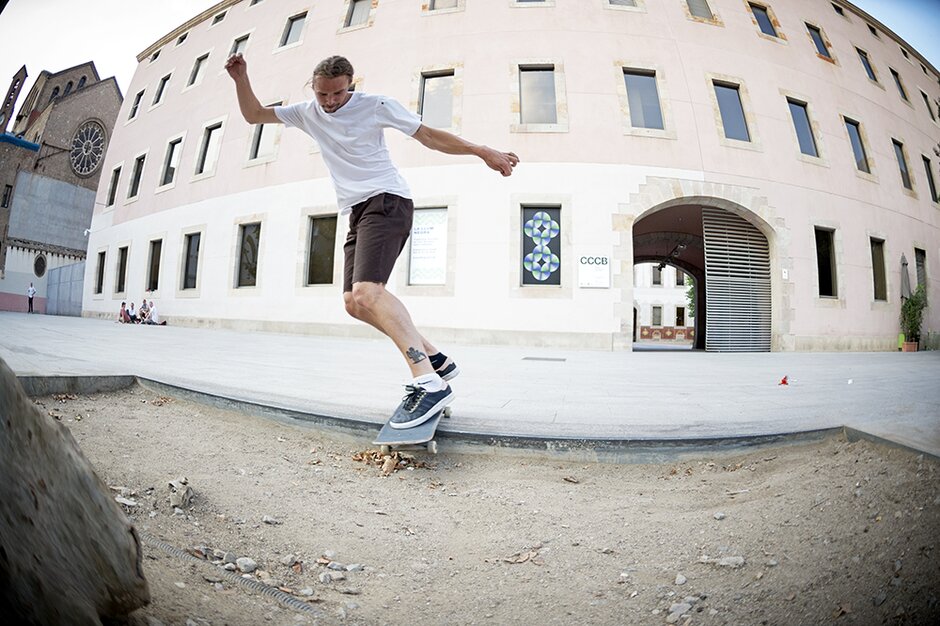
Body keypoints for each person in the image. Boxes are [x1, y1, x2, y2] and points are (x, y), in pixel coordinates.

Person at [226, 53, 518, 429]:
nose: (329, 102)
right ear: (312, 89)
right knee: (353, 303)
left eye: (337, 94)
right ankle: (435, 358)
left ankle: (428, 381)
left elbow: (428, 136)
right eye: (322, 95)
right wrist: (241, 78)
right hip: (357, 210)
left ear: (351, 84)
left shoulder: (376, 105)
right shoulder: (305, 112)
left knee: (367, 292)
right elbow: (254, 116)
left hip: (387, 199)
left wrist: (482, 151)